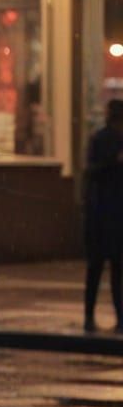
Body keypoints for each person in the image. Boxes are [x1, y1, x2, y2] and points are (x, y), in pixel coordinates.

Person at [83, 99, 123, 333]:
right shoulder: (108, 140)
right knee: (113, 268)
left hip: (101, 212)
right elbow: (94, 170)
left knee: (98, 268)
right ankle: (116, 316)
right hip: (110, 213)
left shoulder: (100, 138)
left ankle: (91, 315)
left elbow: (91, 171)